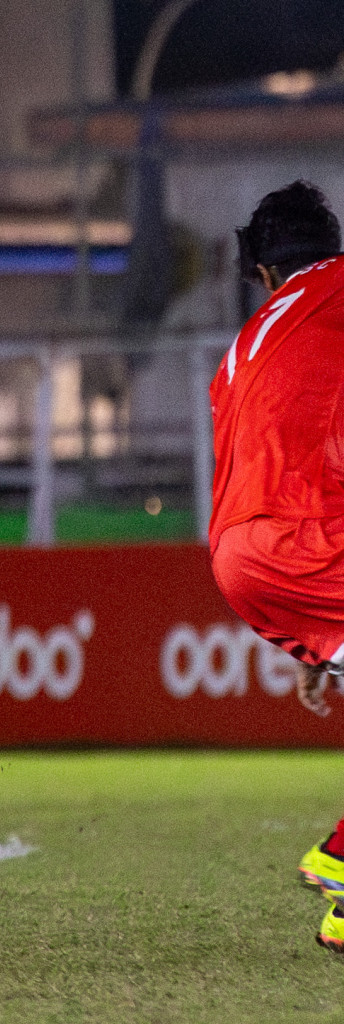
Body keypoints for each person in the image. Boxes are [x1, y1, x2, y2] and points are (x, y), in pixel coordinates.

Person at [207, 180, 344, 952]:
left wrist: (320, 633)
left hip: (241, 557)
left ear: (262, 274)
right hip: (310, 538)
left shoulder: (241, 352)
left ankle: (339, 855)